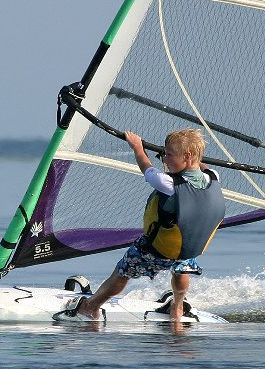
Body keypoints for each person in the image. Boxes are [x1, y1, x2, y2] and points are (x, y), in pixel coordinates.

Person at [54, 128, 226, 322]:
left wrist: (137, 146)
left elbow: (147, 168)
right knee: (181, 268)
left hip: (155, 250)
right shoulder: (213, 177)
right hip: (187, 251)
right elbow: (198, 167)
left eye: (168, 155)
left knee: (122, 272)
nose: (165, 160)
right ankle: (177, 308)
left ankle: (91, 307)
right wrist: (192, 158)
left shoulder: (167, 183)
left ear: (187, 156)